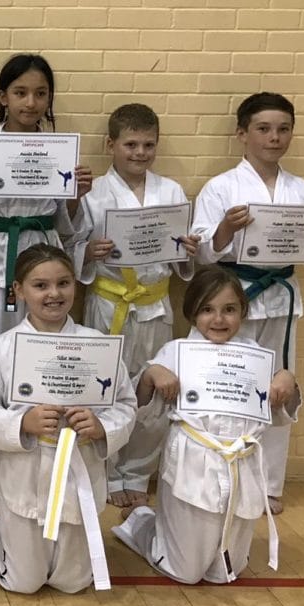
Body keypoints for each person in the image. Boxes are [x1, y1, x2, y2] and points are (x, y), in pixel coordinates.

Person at [192, 92, 304, 514]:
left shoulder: (302, 188)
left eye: (283, 129)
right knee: (225, 384)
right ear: (242, 134)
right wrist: (224, 228)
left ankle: (269, 484)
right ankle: (216, 476)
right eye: (263, 129)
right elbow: (203, 253)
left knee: (277, 390)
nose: (274, 138)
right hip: (231, 298)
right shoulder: (221, 186)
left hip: (281, 299)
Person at [0, 54, 92, 504]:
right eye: (20, 92)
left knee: (45, 365)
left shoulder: (60, 151)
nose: (30, 102)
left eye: (40, 93)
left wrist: (74, 196)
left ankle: (42, 469)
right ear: (2, 97)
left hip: (45, 257)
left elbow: (69, 229)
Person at [0, 244, 136, 593]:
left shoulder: (96, 345)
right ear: (19, 291)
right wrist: (21, 424)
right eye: (40, 285)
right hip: (24, 476)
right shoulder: (2, 348)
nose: (54, 294)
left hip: (80, 473)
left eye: (63, 283)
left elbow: (125, 404)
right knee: (23, 582)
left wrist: (102, 426)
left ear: (75, 285)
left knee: (73, 582)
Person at [112, 265, 300, 584]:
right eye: (208, 310)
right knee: (184, 571)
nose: (219, 319)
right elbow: (141, 409)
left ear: (243, 312)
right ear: (192, 313)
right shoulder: (176, 352)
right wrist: (151, 375)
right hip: (191, 465)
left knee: (226, 573)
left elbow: (278, 412)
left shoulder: (256, 356)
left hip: (241, 465)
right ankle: (143, 523)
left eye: (229, 310)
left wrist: (287, 381)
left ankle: (185, 537)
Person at [72, 103, 200, 508]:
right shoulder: (94, 193)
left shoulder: (172, 192)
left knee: (154, 391)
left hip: (155, 303)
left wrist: (187, 250)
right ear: (111, 145)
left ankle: (138, 472)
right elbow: (71, 245)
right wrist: (88, 251)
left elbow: (183, 262)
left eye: (148, 145)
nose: (140, 152)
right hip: (108, 303)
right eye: (130, 144)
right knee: (106, 389)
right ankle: (107, 472)